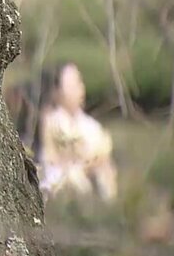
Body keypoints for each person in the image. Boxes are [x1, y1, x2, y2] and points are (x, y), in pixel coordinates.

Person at [38, 62, 118, 201]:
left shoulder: (92, 126)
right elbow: (50, 161)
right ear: (56, 91)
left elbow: (103, 158)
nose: (79, 89)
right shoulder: (50, 122)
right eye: (71, 85)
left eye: (79, 82)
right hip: (62, 185)